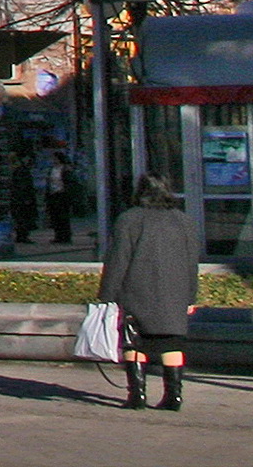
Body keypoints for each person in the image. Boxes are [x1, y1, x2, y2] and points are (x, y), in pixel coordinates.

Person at [100, 173, 202, 412]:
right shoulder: (184, 221)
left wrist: (107, 294)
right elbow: (192, 262)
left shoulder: (128, 219)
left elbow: (118, 259)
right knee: (172, 343)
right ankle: (174, 396)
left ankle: (137, 395)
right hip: (174, 291)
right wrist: (190, 296)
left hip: (136, 289)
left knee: (134, 342)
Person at [41, 149, 75, 247]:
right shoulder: (52, 169)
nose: (53, 160)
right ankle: (58, 236)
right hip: (53, 194)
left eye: (54, 158)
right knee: (55, 216)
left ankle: (66, 236)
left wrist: (66, 191)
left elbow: (69, 182)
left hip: (62, 195)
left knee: (63, 216)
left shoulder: (65, 169)